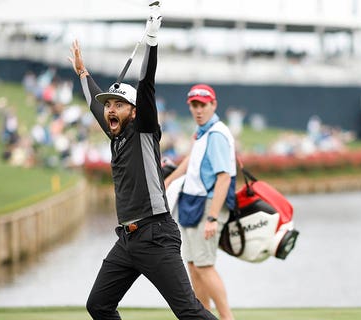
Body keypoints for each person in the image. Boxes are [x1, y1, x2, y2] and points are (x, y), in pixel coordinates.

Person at [68, 4, 217, 320]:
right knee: (98, 305)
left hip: (156, 234)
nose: (110, 109)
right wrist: (83, 73)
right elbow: (95, 105)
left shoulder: (145, 129)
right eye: (109, 104)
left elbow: (146, 83)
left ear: (134, 111)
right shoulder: (117, 135)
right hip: (127, 240)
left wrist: (151, 39)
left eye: (118, 105)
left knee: (188, 311)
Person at [164, 84, 237, 320]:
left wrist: (213, 217)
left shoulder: (216, 134)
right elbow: (189, 161)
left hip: (208, 205)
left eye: (202, 105)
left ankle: (226, 318)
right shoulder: (203, 131)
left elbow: (224, 178)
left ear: (213, 105)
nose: (198, 110)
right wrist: (167, 182)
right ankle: (204, 317)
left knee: (204, 266)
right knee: (194, 266)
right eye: (194, 105)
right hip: (193, 203)